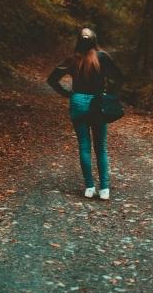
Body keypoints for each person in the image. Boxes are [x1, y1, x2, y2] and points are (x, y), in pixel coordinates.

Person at [46, 28, 124, 200]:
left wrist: (68, 94)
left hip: (78, 103)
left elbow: (51, 80)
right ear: (95, 40)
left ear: (78, 41)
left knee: (84, 146)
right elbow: (119, 78)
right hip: (98, 103)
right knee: (101, 147)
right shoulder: (102, 57)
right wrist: (109, 95)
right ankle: (104, 189)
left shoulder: (73, 59)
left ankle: (89, 187)